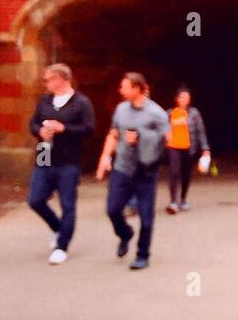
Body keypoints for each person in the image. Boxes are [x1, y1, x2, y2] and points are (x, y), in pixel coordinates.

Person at [96, 72, 169, 270]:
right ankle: (125, 233)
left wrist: (142, 138)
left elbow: (168, 139)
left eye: (124, 87)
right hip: (122, 168)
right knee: (112, 210)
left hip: (145, 171)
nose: (120, 90)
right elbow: (113, 134)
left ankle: (142, 254)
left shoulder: (157, 113)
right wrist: (105, 157)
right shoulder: (121, 109)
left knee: (146, 217)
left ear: (136, 89)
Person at [27, 63, 96, 265]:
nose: (45, 83)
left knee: (67, 204)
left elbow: (89, 129)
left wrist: (63, 128)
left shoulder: (81, 102)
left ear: (61, 79)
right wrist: (39, 131)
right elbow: (33, 122)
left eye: (48, 79)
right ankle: (59, 228)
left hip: (68, 158)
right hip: (44, 153)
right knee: (35, 199)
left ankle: (62, 246)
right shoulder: (44, 101)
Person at [165, 85, 210, 215]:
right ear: (177, 99)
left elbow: (201, 131)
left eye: (187, 98)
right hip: (174, 147)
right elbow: (162, 129)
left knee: (186, 174)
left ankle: (183, 199)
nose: (185, 100)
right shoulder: (170, 113)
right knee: (174, 172)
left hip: (189, 147)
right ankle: (173, 201)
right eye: (182, 97)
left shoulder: (194, 113)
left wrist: (205, 148)